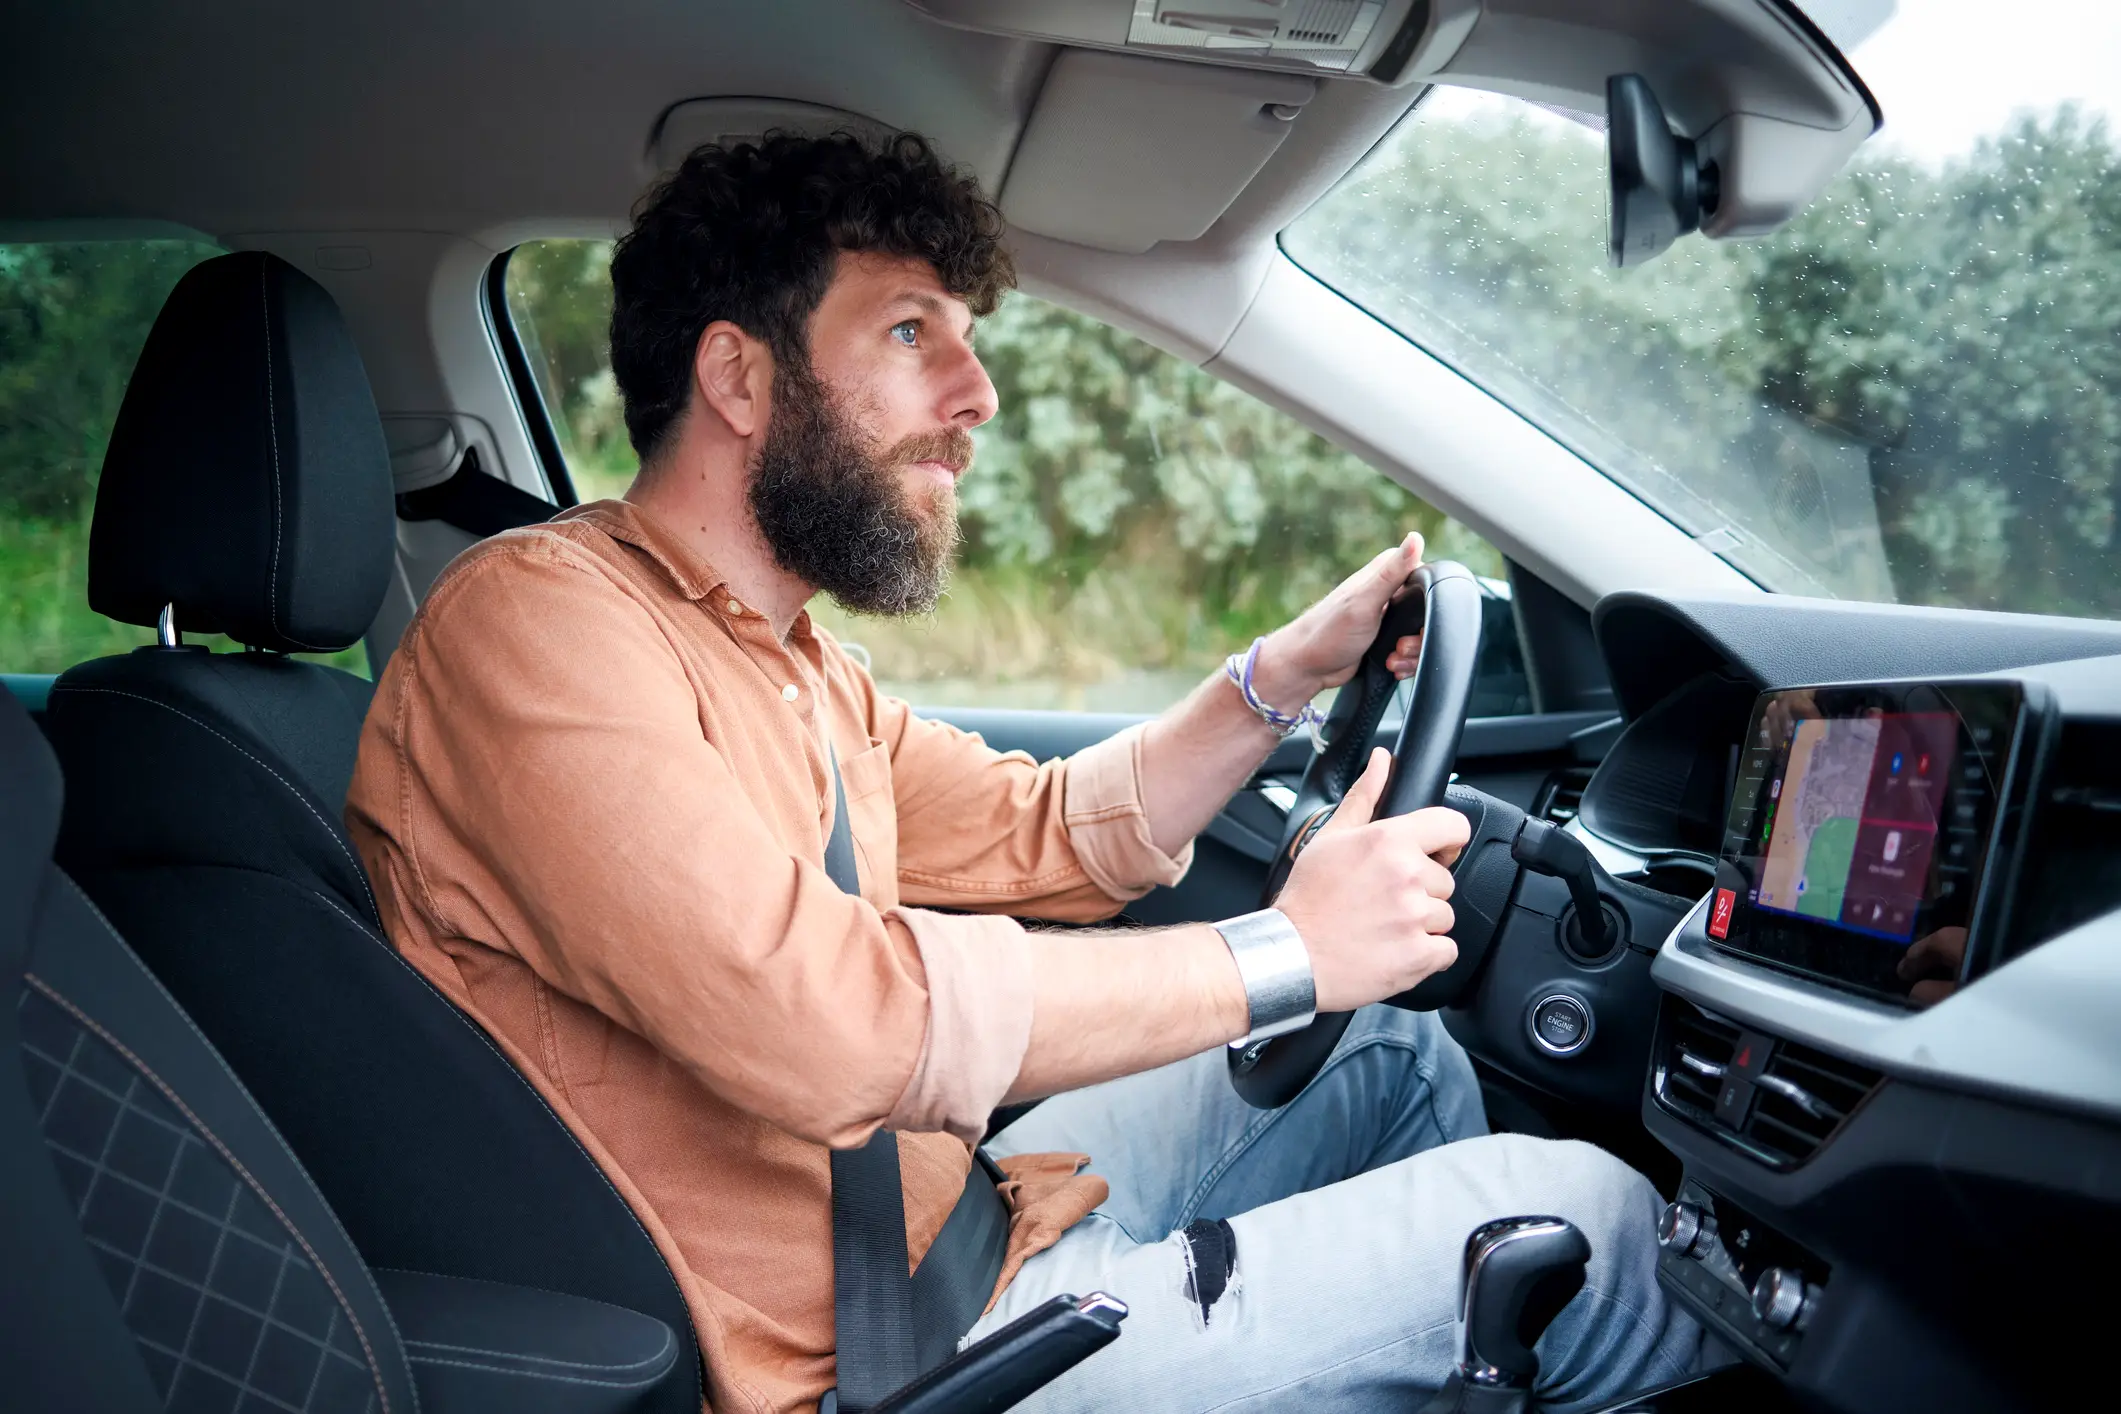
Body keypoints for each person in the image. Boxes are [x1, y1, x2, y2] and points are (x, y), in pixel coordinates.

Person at [346, 132, 1706, 1414]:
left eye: (966, 342)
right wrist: (1289, 949)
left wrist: (1278, 677)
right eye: (909, 331)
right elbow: (837, 1025)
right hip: (885, 1355)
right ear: (741, 378)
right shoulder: (538, 628)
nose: (976, 396)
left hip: (956, 1219)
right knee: (1593, 1224)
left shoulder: (791, 661)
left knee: (1395, 1060)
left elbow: (1054, 826)